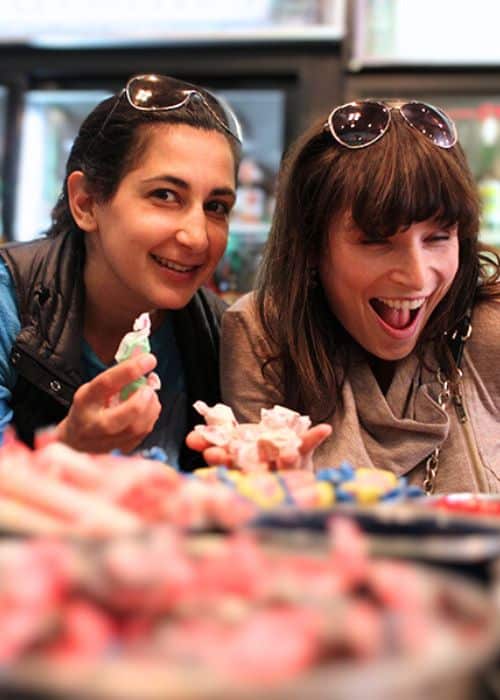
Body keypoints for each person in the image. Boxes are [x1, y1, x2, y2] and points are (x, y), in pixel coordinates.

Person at [189, 99, 500, 493]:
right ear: (313, 246)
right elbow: (265, 527)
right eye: (376, 241)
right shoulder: (264, 335)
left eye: (439, 238)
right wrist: (284, 495)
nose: (417, 276)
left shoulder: (488, 328)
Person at [0, 73, 242, 469]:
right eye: (165, 195)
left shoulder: (223, 334)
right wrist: (67, 448)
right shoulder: (11, 302)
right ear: (86, 202)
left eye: (216, 206)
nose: (197, 237)